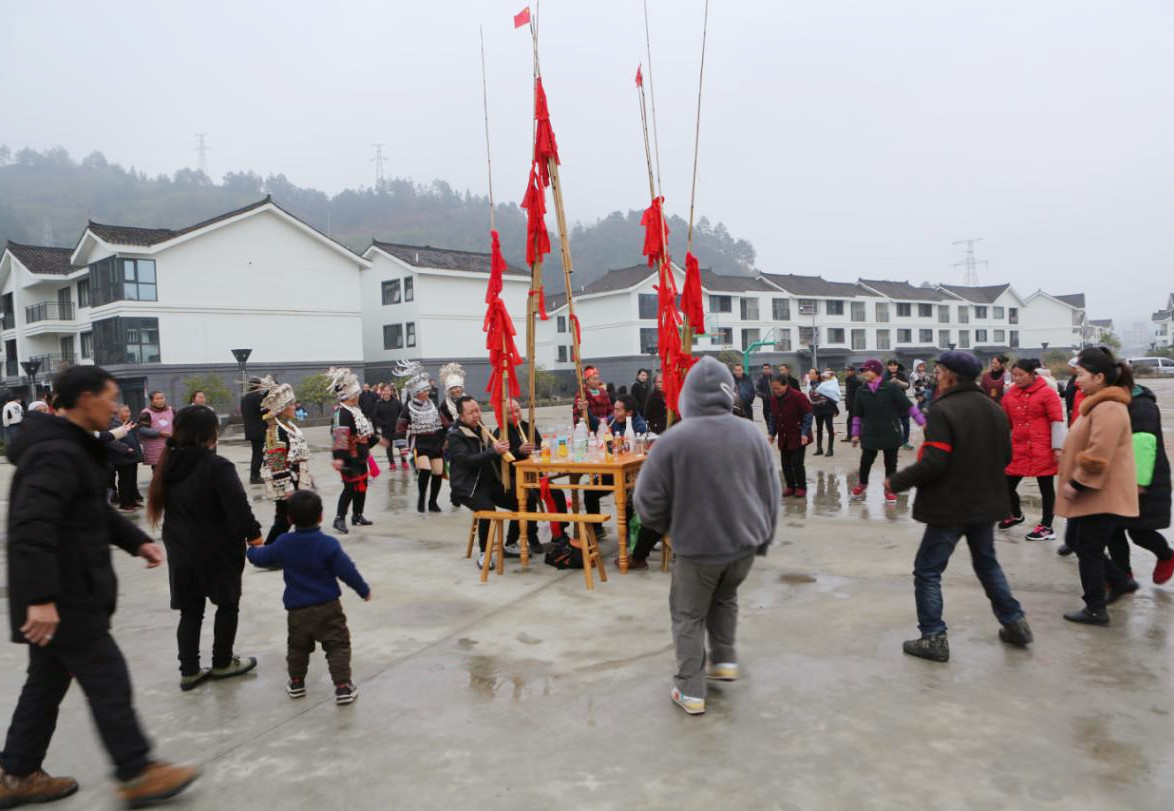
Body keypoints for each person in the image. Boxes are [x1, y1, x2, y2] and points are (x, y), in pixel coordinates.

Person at [0, 365, 198, 808]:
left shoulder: (71, 446)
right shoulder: (56, 453)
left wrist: (136, 541)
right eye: (109, 397)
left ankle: (16, 773)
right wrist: (41, 599)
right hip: (65, 596)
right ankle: (137, 771)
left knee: (45, 685)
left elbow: (92, 509)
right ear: (86, 398)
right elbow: (32, 528)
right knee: (107, 679)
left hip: (68, 590)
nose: (115, 406)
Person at [634, 357, 779, 716]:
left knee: (688, 615)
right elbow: (771, 492)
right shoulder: (751, 434)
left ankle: (690, 689)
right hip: (744, 545)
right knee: (725, 597)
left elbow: (646, 499)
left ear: (689, 394)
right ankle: (724, 659)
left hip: (698, 548)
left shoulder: (674, 439)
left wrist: (666, 526)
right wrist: (763, 536)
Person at [886, 351, 1032, 663]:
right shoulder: (994, 409)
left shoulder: (943, 410)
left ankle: (933, 637)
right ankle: (1015, 623)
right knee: (987, 564)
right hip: (986, 503)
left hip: (951, 506)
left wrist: (896, 481)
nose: (937, 377)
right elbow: (1006, 456)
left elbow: (935, 461)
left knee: (928, 570)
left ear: (951, 376)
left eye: (940, 372)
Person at [146, 405, 262, 691]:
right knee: (227, 603)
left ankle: (189, 670)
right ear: (208, 433)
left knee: (190, 610)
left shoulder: (167, 463)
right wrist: (254, 536)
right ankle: (222, 662)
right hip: (217, 546)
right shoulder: (217, 466)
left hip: (180, 546)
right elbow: (238, 506)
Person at [246, 490, 369, 705]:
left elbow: (262, 557)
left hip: (297, 610)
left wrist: (251, 550)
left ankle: (296, 683)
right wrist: (363, 590)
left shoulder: (284, 543)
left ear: (289, 519)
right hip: (328, 608)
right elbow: (347, 570)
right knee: (337, 645)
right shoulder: (328, 544)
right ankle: (343, 687)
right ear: (321, 516)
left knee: (297, 647)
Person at [1055, 347, 1139, 626]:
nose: (1076, 380)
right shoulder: (1100, 405)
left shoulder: (1109, 408)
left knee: (1088, 549)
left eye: (1080, 374)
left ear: (1099, 377)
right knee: (1084, 545)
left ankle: (1095, 608)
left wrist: (1076, 483)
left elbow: (1098, 453)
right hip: (1098, 491)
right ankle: (1120, 582)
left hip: (1101, 491)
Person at [1106, 380, 1174, 586]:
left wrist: (1139, 482)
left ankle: (1167, 555)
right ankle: (1123, 576)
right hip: (1118, 478)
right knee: (1113, 529)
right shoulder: (1113, 403)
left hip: (1144, 481)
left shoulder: (1141, 405)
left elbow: (1144, 444)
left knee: (1139, 531)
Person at [1000, 358, 1066, 541]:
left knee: (1046, 487)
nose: (1016, 378)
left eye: (1020, 375)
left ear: (1032, 374)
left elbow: (1056, 421)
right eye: (1014, 375)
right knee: (1006, 484)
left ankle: (1046, 526)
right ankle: (1016, 514)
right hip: (1018, 447)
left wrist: (1057, 448)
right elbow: (1006, 423)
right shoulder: (1010, 395)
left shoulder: (1047, 393)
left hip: (1042, 447)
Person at [448, 396, 517, 568]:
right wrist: (494, 451)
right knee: (487, 510)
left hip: (489, 484)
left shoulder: (483, 429)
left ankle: (511, 543)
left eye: (478, 410)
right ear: (461, 416)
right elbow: (468, 461)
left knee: (522, 498)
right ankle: (484, 552)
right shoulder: (455, 435)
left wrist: (504, 449)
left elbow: (494, 455)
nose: (476, 415)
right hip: (467, 487)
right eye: (471, 412)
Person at [496, 399, 569, 554]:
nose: (515, 414)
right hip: (513, 476)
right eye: (510, 413)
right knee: (527, 498)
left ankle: (559, 533)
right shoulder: (500, 432)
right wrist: (518, 451)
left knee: (557, 493)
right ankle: (531, 535)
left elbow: (541, 446)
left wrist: (539, 450)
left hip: (534, 473)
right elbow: (501, 459)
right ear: (503, 415)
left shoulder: (528, 427)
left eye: (517, 410)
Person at [851, 359, 924, 503]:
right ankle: (862, 484)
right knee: (865, 461)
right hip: (870, 432)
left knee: (890, 463)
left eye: (867, 370)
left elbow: (908, 406)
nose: (864, 373)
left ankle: (889, 489)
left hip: (890, 430)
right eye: (863, 370)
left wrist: (922, 422)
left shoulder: (890, 388)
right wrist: (855, 434)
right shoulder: (861, 391)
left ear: (876, 371)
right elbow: (857, 415)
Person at [328, 367, 387, 533]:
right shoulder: (341, 413)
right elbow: (340, 437)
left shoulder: (355, 411)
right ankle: (339, 517)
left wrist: (377, 440)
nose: (358, 395)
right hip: (349, 457)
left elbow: (363, 433)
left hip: (360, 455)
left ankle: (357, 515)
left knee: (362, 485)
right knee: (349, 488)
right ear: (350, 395)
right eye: (356, 393)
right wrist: (339, 457)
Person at [259, 378, 316, 545]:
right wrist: (288, 487)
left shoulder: (288, 426)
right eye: (291, 404)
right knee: (283, 520)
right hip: (284, 481)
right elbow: (277, 461)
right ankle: (268, 550)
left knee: (293, 519)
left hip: (295, 478)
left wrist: (306, 476)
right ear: (282, 408)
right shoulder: (275, 431)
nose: (294, 406)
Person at [395, 361, 449, 513]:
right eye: (424, 390)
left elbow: (444, 424)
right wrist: (402, 447)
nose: (427, 392)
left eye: (427, 390)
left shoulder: (433, 407)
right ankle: (421, 499)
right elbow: (400, 428)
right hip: (420, 444)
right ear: (416, 393)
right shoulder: (408, 409)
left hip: (435, 444)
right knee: (425, 470)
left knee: (437, 473)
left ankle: (433, 502)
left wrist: (450, 434)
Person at [768, 374, 813, 497]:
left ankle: (801, 487)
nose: (776, 391)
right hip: (784, 435)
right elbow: (773, 417)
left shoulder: (798, 396)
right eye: (774, 389)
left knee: (797, 463)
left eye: (778, 388)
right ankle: (790, 486)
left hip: (798, 434)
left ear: (785, 385)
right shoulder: (773, 399)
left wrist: (804, 432)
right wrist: (771, 433)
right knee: (785, 463)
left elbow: (808, 414)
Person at [109, 404, 143, 512]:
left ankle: (132, 500)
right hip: (122, 457)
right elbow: (112, 441)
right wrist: (125, 448)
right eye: (125, 412)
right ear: (118, 413)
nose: (128, 414)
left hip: (132, 457)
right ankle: (125, 503)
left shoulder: (128, 423)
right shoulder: (114, 424)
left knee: (132, 480)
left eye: (129, 411)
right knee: (125, 481)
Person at [137, 390, 174, 471]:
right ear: (151, 401)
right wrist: (159, 433)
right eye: (157, 399)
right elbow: (142, 429)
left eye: (162, 398)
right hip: (155, 450)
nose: (161, 400)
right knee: (159, 473)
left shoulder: (171, 410)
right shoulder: (146, 413)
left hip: (169, 447)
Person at [372, 384, 406, 471]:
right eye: (384, 391)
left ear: (391, 392)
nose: (386, 392)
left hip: (397, 429)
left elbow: (403, 413)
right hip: (386, 429)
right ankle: (392, 463)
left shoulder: (397, 402)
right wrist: (382, 423)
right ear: (381, 392)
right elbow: (375, 416)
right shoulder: (378, 403)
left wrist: (401, 423)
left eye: (387, 390)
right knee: (388, 447)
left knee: (401, 445)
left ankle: (404, 461)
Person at [240, 377, 267, 485]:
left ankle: (254, 474)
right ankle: (255, 476)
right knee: (258, 454)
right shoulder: (257, 397)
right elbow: (264, 410)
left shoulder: (245, 398)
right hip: (259, 430)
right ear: (258, 385)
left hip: (250, 429)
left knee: (256, 453)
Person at [883, 359, 913, 450]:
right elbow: (882, 387)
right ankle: (895, 441)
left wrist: (898, 382)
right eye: (891, 365)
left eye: (894, 365)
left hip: (902, 403)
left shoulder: (901, 374)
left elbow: (907, 386)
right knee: (894, 424)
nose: (893, 367)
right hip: (891, 404)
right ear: (888, 366)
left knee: (906, 423)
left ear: (897, 366)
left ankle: (905, 442)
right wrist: (890, 383)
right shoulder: (885, 375)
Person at [573, 366, 614, 430]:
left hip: (605, 427)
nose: (597, 381)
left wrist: (607, 420)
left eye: (597, 379)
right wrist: (579, 409)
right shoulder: (581, 394)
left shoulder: (604, 392)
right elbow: (576, 413)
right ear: (587, 380)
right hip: (590, 428)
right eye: (594, 379)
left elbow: (611, 410)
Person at [810, 371, 841, 457]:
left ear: (817, 375)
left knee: (829, 428)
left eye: (812, 373)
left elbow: (833, 394)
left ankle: (830, 449)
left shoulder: (827, 384)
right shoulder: (812, 384)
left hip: (827, 409)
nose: (810, 375)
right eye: (810, 373)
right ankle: (819, 448)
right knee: (819, 429)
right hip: (817, 409)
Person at [755, 362, 774, 432]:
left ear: (770, 369)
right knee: (768, 420)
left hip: (776, 403)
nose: (765, 370)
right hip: (766, 404)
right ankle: (771, 433)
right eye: (764, 369)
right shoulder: (760, 380)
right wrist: (764, 396)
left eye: (767, 369)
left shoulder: (775, 378)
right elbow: (757, 390)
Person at [843, 366, 861, 434]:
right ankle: (850, 435)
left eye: (848, 370)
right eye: (846, 370)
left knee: (852, 420)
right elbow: (848, 393)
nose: (847, 372)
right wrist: (846, 403)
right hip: (850, 404)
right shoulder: (847, 379)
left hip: (855, 404)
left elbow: (858, 394)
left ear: (853, 371)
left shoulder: (857, 381)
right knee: (850, 420)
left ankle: (852, 435)